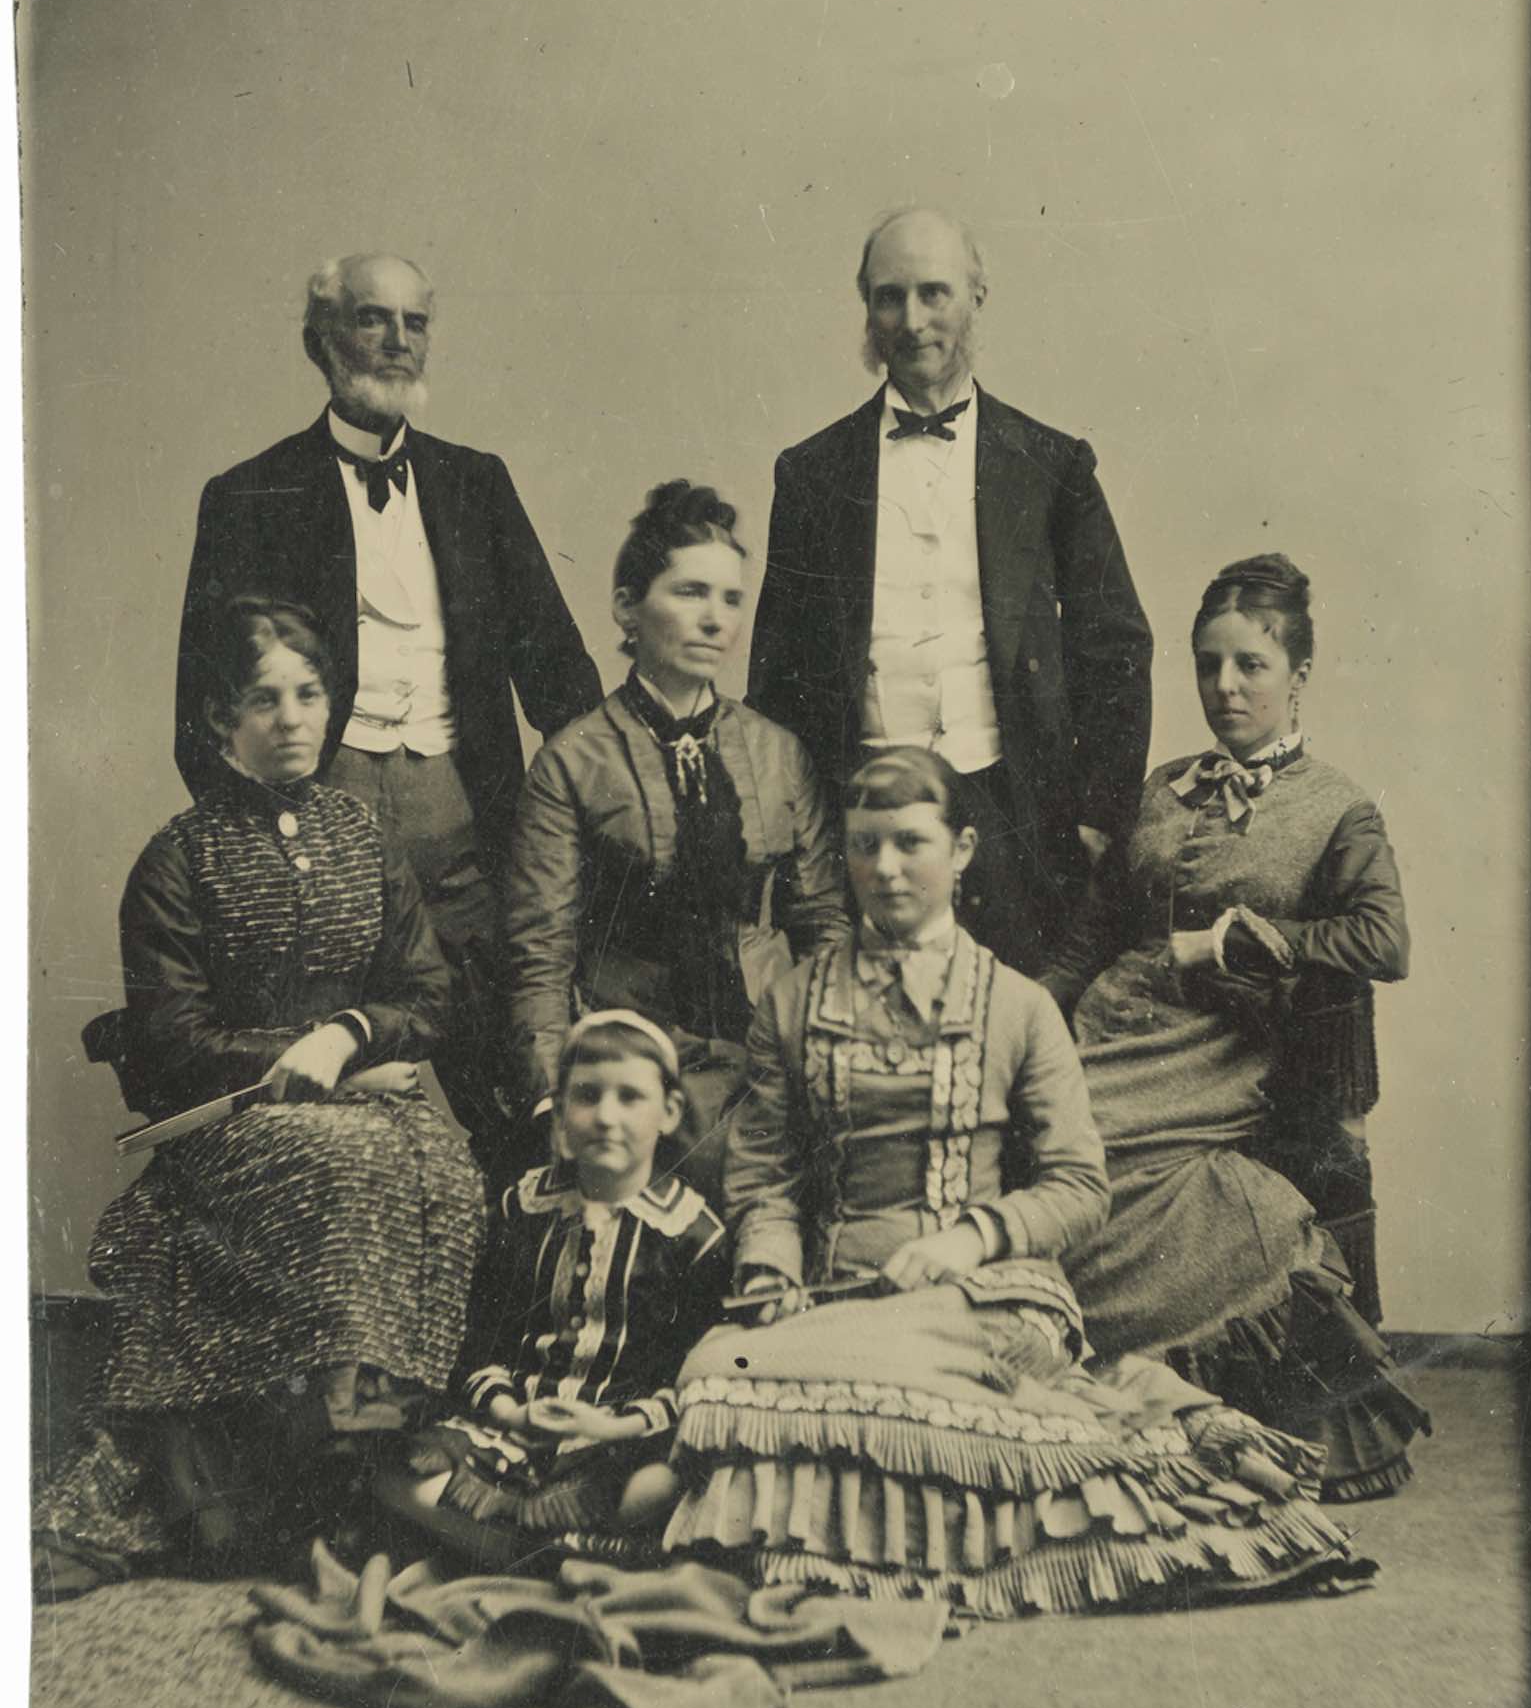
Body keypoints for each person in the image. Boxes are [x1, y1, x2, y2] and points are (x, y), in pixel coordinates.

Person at [663, 747, 1370, 1616]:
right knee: (715, 1372)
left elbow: (1079, 1185)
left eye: (910, 844)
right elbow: (765, 1174)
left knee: (820, 1387)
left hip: (987, 1296)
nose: (884, 870)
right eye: (864, 845)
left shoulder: (1018, 1007)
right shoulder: (795, 1002)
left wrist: (970, 1236)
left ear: (960, 851)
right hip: (832, 1293)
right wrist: (768, 1269)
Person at [35, 599, 485, 1596]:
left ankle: (379, 1456)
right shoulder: (179, 858)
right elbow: (170, 1045)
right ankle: (327, 1477)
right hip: (234, 1127)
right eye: (263, 699)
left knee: (444, 1164)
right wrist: (306, 1056)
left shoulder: (366, 837)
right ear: (218, 721)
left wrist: (352, 1033)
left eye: (309, 694)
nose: (291, 718)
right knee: (349, 1158)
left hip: (372, 1100)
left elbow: (428, 996)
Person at [173, 254, 601, 1169]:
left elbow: (563, 677)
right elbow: (200, 720)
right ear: (321, 342)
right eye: (374, 320)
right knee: (325, 1111)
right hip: (322, 837)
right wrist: (278, 850)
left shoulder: (477, 482)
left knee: (517, 1098)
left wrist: (565, 822)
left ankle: (518, 1302)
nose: (397, 342)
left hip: (464, 830)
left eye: (414, 322)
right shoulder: (250, 494)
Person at [1059, 553, 1428, 1499]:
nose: (1225, 687)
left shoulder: (1335, 807)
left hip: (1217, 1046)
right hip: (1112, 1021)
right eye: (1208, 664)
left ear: (1297, 676)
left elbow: (1383, 938)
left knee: (1085, 1152)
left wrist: (1239, 941)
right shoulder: (1165, 786)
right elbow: (1098, 929)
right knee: (1021, 1127)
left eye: (1250, 666)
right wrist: (1016, 1013)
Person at [746, 207, 1153, 990]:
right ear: (866, 308)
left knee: (1016, 1036)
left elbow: (1116, 643)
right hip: (860, 817)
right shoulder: (810, 474)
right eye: (889, 297)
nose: (913, 320)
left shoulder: (1052, 463)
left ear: (977, 297)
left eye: (935, 293)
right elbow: (778, 671)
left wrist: (1100, 815)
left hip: (1017, 814)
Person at [503, 481, 850, 1201]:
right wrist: (550, 1097)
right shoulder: (572, 761)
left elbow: (824, 926)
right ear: (628, 607)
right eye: (690, 592)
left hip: (773, 1043)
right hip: (641, 1055)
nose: (715, 620)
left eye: (729, 599)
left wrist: (829, 1047)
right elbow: (541, 958)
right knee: (733, 1172)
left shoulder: (779, 753)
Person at [378, 1011, 728, 1569]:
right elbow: (481, 1337)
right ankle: (549, 1556)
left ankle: (500, 1547)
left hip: (614, 1436)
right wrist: (510, 1410)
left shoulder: (691, 1234)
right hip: (513, 1426)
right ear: (561, 1113)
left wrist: (612, 1424)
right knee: (403, 1473)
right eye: (587, 1096)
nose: (606, 1117)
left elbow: (692, 1372)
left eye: (630, 1098)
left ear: (670, 1113)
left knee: (661, 1488)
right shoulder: (525, 1207)